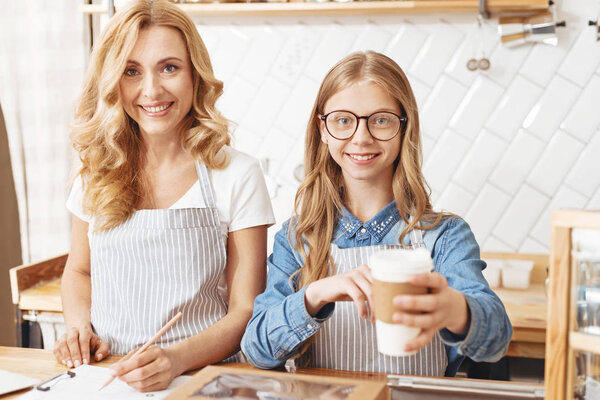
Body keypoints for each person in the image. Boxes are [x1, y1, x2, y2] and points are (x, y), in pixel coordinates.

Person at [241, 51, 511, 377]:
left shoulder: (445, 235)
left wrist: (456, 310)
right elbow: (256, 350)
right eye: (343, 120)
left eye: (380, 119)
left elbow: (497, 340)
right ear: (323, 130)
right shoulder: (299, 238)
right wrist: (314, 295)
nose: (361, 137)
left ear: (403, 128)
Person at [53, 0, 275, 391]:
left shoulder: (237, 174)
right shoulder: (97, 171)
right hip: (110, 380)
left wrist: (175, 360)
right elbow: (79, 271)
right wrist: (78, 328)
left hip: (206, 382)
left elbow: (246, 311)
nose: (151, 90)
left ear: (194, 75)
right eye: (131, 71)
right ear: (113, 82)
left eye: (169, 68)